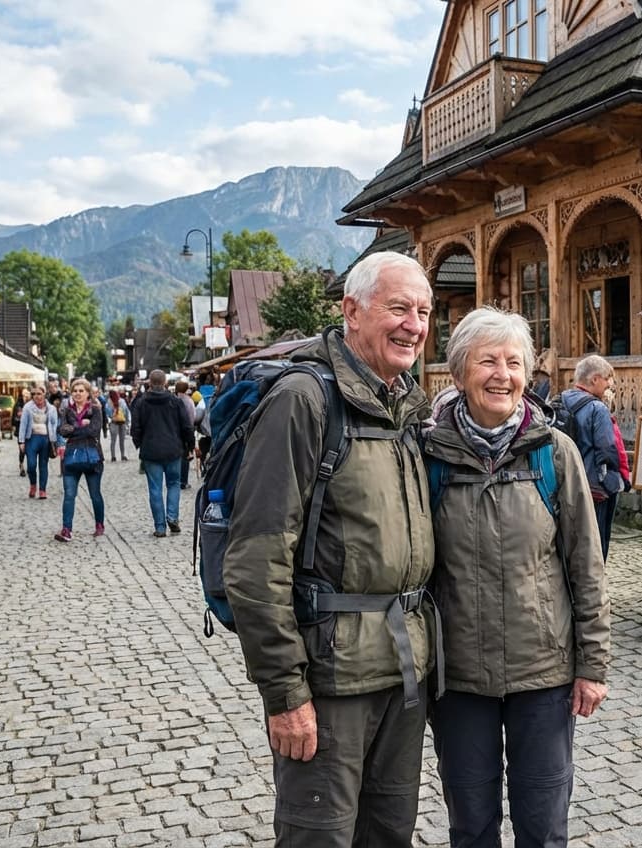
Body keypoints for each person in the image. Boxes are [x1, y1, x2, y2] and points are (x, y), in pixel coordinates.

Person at [222, 250, 439, 847]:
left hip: (402, 672)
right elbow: (255, 559)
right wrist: (285, 692)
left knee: (389, 836)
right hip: (330, 678)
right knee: (319, 838)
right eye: (398, 308)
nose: (414, 325)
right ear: (351, 310)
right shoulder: (304, 398)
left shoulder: (404, 405)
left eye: (423, 311)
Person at [424, 306, 610, 848]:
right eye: (487, 361)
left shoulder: (556, 455)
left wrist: (592, 664)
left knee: (543, 825)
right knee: (472, 825)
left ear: (528, 374)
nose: (501, 374)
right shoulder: (431, 457)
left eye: (513, 362)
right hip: (459, 679)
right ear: (459, 374)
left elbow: (587, 567)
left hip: (544, 675)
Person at [558, 355, 623, 558]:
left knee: (568, 545)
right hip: (593, 490)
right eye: (607, 379)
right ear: (594, 379)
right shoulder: (597, 408)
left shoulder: (558, 401)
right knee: (594, 547)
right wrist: (613, 483)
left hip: (563, 486)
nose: (610, 385)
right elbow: (607, 450)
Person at [130, 369, 193, 538]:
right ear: (165, 382)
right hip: (173, 449)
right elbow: (186, 425)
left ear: (150, 383)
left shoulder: (142, 403)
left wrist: (140, 444)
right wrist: (189, 445)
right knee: (173, 484)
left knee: (155, 489)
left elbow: (135, 427)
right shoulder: (175, 401)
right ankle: (172, 517)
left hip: (151, 451)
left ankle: (159, 526)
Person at [53, 378, 106, 541]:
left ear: (88, 393)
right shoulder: (66, 411)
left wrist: (73, 430)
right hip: (72, 457)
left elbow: (93, 430)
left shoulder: (96, 410)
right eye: (75, 391)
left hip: (92, 456)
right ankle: (66, 529)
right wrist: (80, 426)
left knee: (95, 494)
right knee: (69, 494)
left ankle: (99, 524)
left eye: (81, 391)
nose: (77, 393)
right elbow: (62, 430)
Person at [18, 386, 58, 499]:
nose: (37, 396)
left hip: (45, 439)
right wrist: (21, 441)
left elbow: (55, 424)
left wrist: (54, 440)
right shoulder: (27, 407)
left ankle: (42, 490)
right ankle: (33, 485)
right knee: (31, 465)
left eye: (39, 393)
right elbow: (23, 425)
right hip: (31, 439)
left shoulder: (51, 409)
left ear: (44, 394)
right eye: (34, 394)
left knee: (43, 465)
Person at [174, 380, 196, 488]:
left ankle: (177, 479)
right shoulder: (189, 401)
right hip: (186, 430)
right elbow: (192, 417)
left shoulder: (173, 400)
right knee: (185, 456)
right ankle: (183, 481)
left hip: (174, 431)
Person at [103, 389, 130, 461]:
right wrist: (127, 422)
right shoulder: (122, 401)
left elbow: (108, 413)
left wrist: (111, 417)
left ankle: (113, 456)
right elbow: (126, 411)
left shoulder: (108, 402)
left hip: (113, 422)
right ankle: (123, 455)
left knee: (113, 441)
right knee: (122, 440)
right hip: (122, 422)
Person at [13, 387, 31, 474]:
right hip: (20, 430)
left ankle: (30, 466)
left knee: (30, 450)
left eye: (27, 393)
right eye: (24, 394)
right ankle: (21, 465)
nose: (25, 395)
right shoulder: (18, 404)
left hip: (30, 430)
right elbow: (14, 418)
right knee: (22, 449)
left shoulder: (32, 404)